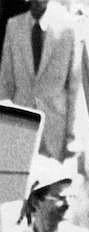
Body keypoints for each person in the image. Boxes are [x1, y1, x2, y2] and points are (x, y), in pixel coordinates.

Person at [0, 0, 80, 162]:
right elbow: (5, 83)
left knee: (53, 184)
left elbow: (75, 89)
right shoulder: (14, 26)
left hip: (55, 132)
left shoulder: (68, 28)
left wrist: (72, 138)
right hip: (22, 128)